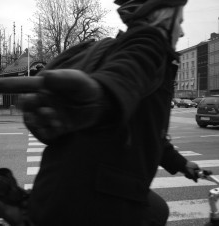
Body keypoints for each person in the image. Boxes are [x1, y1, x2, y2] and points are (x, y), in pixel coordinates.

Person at [13, 0, 201, 225]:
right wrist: (101, 94)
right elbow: (124, 73)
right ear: (164, 19)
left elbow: (146, 130)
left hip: (59, 191)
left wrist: (180, 163)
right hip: (87, 206)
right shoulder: (149, 44)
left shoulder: (119, 49)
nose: (182, 32)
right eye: (179, 22)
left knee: (157, 209)